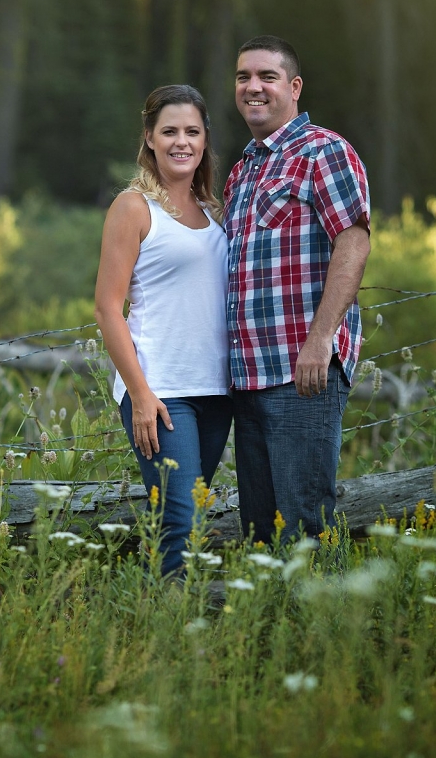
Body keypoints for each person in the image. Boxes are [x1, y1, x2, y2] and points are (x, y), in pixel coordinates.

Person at [223, 34, 371, 545]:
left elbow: (352, 243)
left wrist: (320, 339)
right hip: (248, 377)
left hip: (301, 371)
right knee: (260, 532)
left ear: (294, 86)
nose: (253, 87)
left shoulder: (323, 151)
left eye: (267, 76)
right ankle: (270, 625)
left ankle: (320, 623)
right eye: (244, 76)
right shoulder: (243, 171)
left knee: (306, 524)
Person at [95, 84, 233, 576]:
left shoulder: (216, 213)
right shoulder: (133, 208)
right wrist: (139, 393)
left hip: (217, 392)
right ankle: (177, 635)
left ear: (204, 140)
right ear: (149, 138)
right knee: (181, 521)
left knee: (186, 521)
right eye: (169, 131)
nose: (182, 141)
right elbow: (108, 308)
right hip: (161, 392)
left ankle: (166, 628)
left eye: (192, 131)